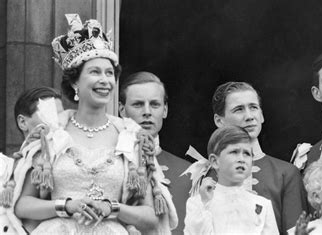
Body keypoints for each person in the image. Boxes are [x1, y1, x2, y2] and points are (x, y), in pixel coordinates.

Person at [11, 14, 177, 235]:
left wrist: (112, 208)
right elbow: (23, 205)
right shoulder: (52, 134)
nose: (105, 80)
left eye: (109, 73)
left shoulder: (131, 137)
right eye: (95, 72)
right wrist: (67, 206)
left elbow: (150, 218)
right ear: (74, 82)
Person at [211, 81, 307, 233]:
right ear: (219, 121)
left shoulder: (285, 173)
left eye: (253, 108)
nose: (249, 116)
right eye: (239, 110)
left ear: (261, 115)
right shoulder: (206, 175)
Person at [119, 71, 192, 235]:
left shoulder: (188, 172)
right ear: (122, 110)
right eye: (138, 104)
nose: (147, 112)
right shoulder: (113, 164)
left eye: (154, 104)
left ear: (165, 110)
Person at [184, 125, 278, 234]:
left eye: (247, 154)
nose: (242, 159)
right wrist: (205, 205)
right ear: (215, 161)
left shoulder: (262, 204)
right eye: (234, 152)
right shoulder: (197, 204)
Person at [0, 87, 64, 234]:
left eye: (61, 116)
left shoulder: (67, 165)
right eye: (49, 115)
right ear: (23, 122)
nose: (58, 124)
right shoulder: (3, 168)